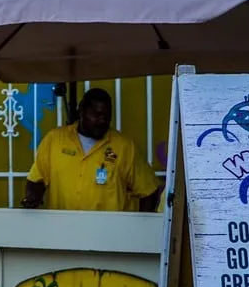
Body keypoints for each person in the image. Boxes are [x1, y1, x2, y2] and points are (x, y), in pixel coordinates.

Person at [23, 88, 161, 212]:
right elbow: (36, 179)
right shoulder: (55, 140)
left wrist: (140, 229)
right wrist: (32, 197)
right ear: (81, 110)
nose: (102, 120)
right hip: (63, 232)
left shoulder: (124, 147)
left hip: (109, 236)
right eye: (97, 114)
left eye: (107, 116)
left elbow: (150, 191)